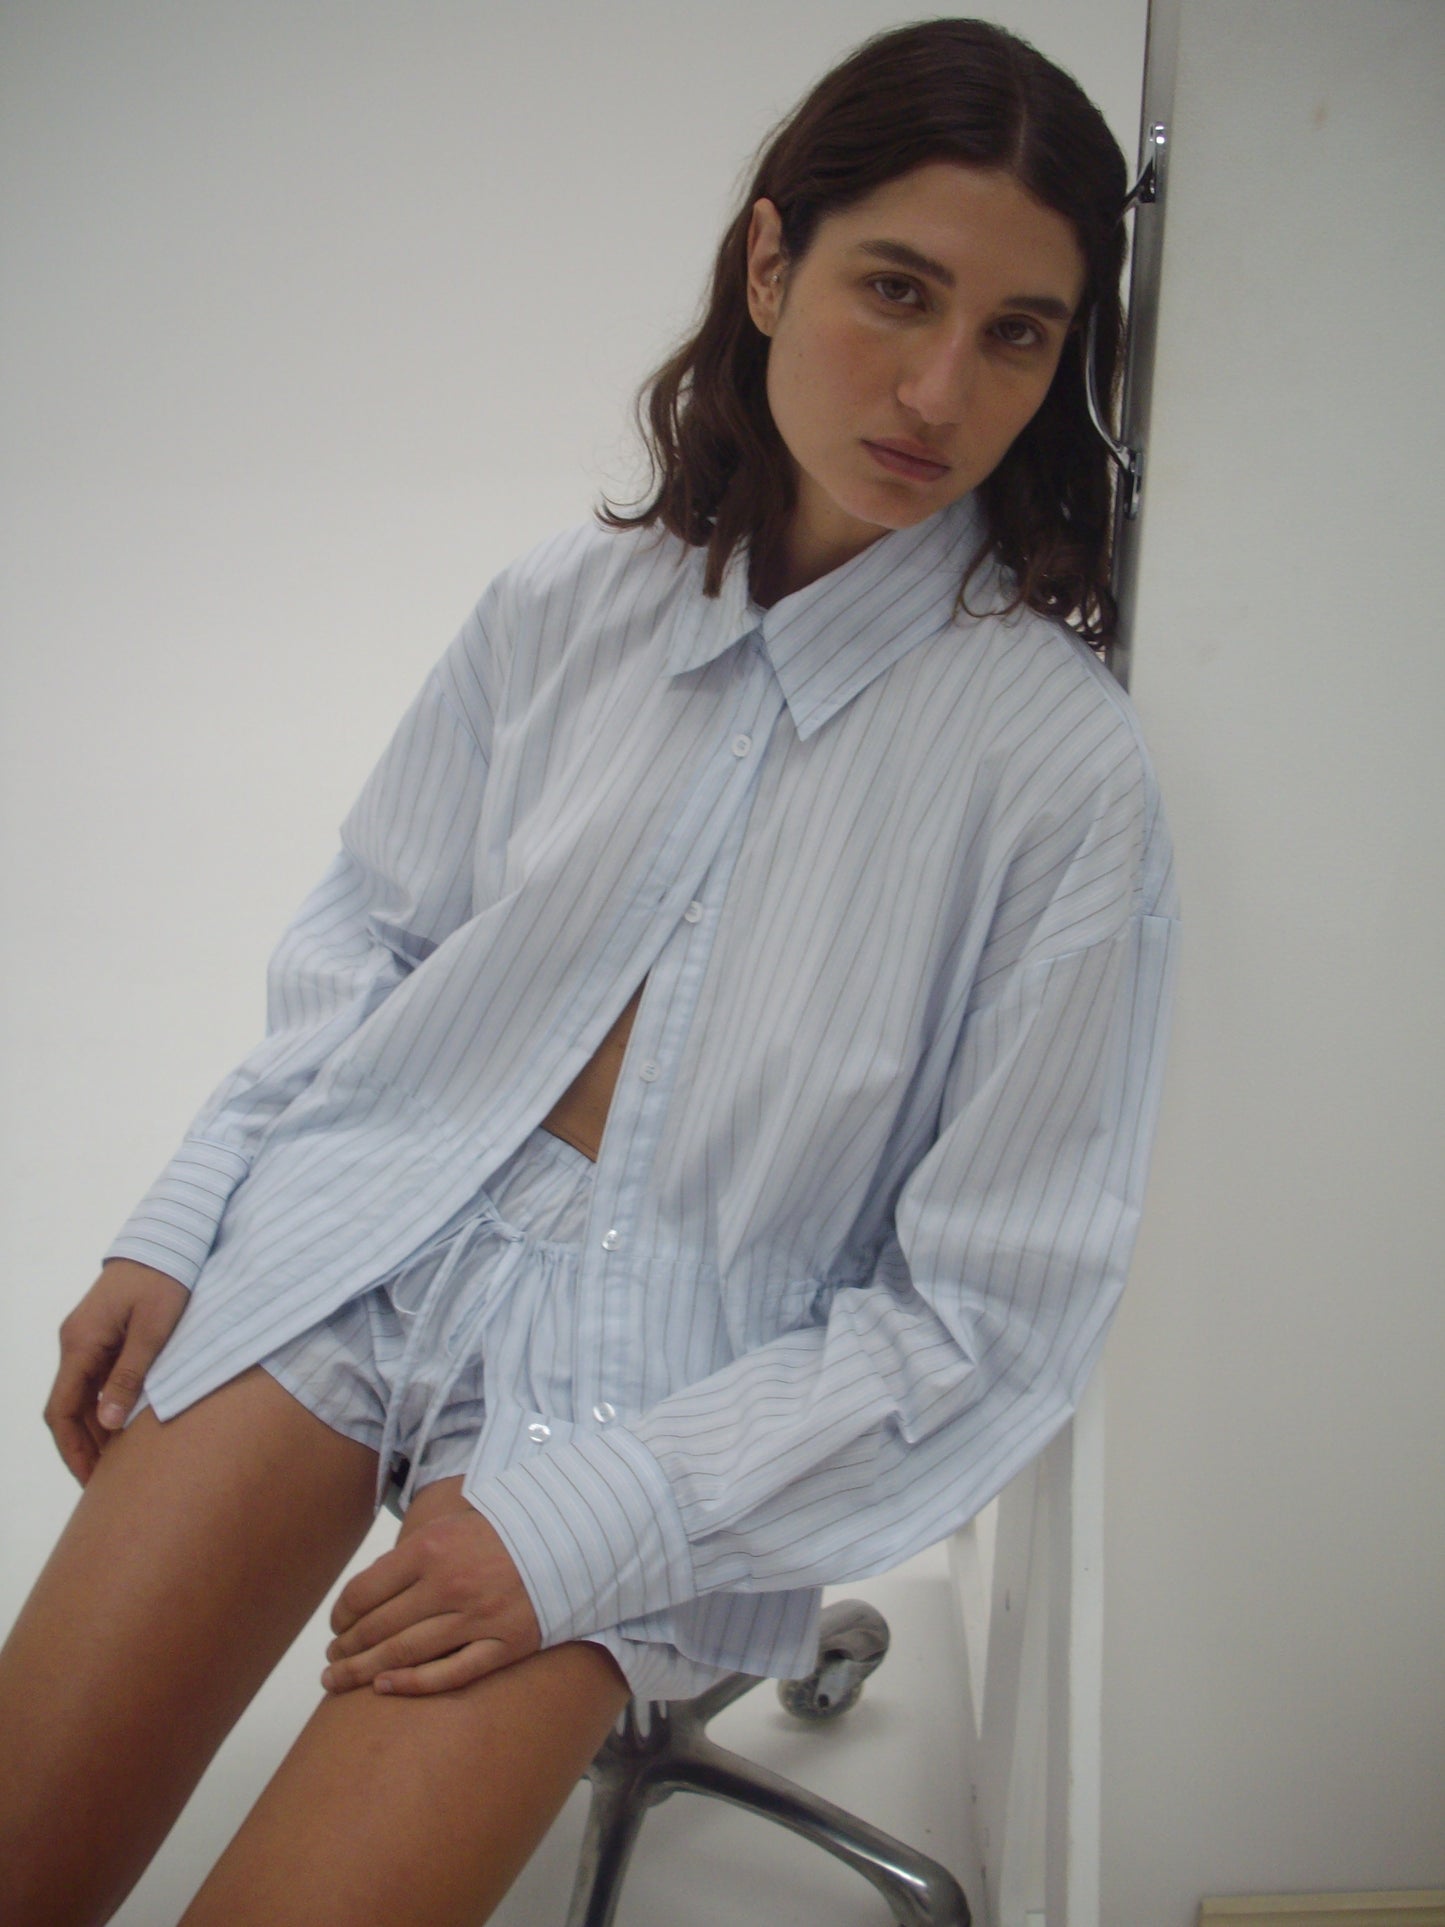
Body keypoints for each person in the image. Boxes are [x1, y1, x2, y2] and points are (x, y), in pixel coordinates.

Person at [0, 17, 1179, 1925]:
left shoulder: (1054, 774)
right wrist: (185, 1216)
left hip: (658, 1402)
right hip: (361, 1237)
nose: (939, 388)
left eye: (1018, 335)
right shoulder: (564, 605)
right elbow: (369, 942)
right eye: (897, 290)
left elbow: (990, 1314)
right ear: (771, 261)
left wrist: (581, 1529)